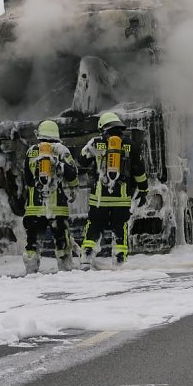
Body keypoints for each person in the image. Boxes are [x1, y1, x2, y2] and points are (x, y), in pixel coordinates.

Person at [77, 111, 149, 270]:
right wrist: (143, 190)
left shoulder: (95, 142)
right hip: (121, 198)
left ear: (103, 127)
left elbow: (81, 161)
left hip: (99, 198)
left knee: (94, 226)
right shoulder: (130, 144)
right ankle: (119, 261)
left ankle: (86, 258)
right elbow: (139, 171)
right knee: (120, 228)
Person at [22, 120, 79, 274]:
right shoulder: (61, 150)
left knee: (32, 244)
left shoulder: (31, 152)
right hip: (57, 209)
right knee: (62, 243)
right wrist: (74, 189)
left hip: (34, 209)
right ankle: (65, 272)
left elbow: (27, 180)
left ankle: (31, 273)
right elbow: (72, 174)